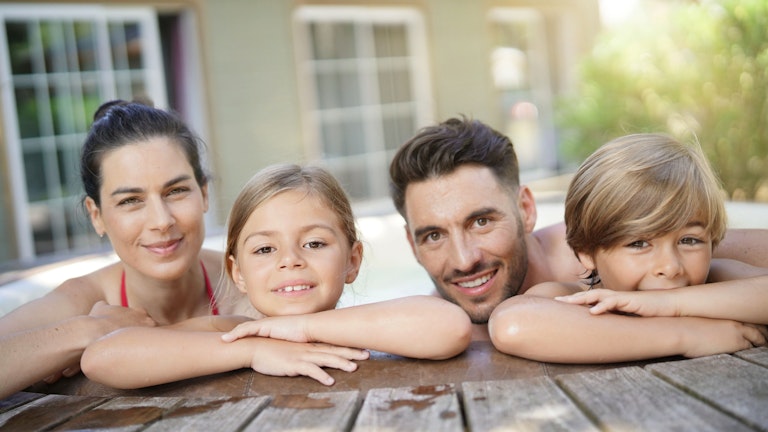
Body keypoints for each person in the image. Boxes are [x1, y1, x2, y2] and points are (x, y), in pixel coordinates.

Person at [81, 164, 472, 388]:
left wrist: (303, 328)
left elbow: (449, 326)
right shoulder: (233, 332)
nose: (290, 261)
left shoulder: (369, 326)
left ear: (353, 260)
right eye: (265, 249)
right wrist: (251, 350)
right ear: (238, 272)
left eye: (315, 244)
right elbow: (104, 357)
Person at [389, 116, 768, 340]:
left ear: (525, 209)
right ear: (411, 243)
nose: (464, 259)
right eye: (434, 235)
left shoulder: (620, 245)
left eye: (482, 221)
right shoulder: (430, 316)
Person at [0, 100, 226, 399]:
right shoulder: (84, 301)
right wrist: (86, 332)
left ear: (204, 194)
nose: (161, 221)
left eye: (176, 191)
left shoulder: (245, 280)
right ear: (97, 216)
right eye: (130, 200)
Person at [488, 133, 767, 362]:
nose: (670, 267)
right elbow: (510, 326)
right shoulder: (572, 299)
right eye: (639, 243)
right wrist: (687, 333)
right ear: (586, 252)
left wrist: (669, 304)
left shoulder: (716, 279)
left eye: (689, 240)